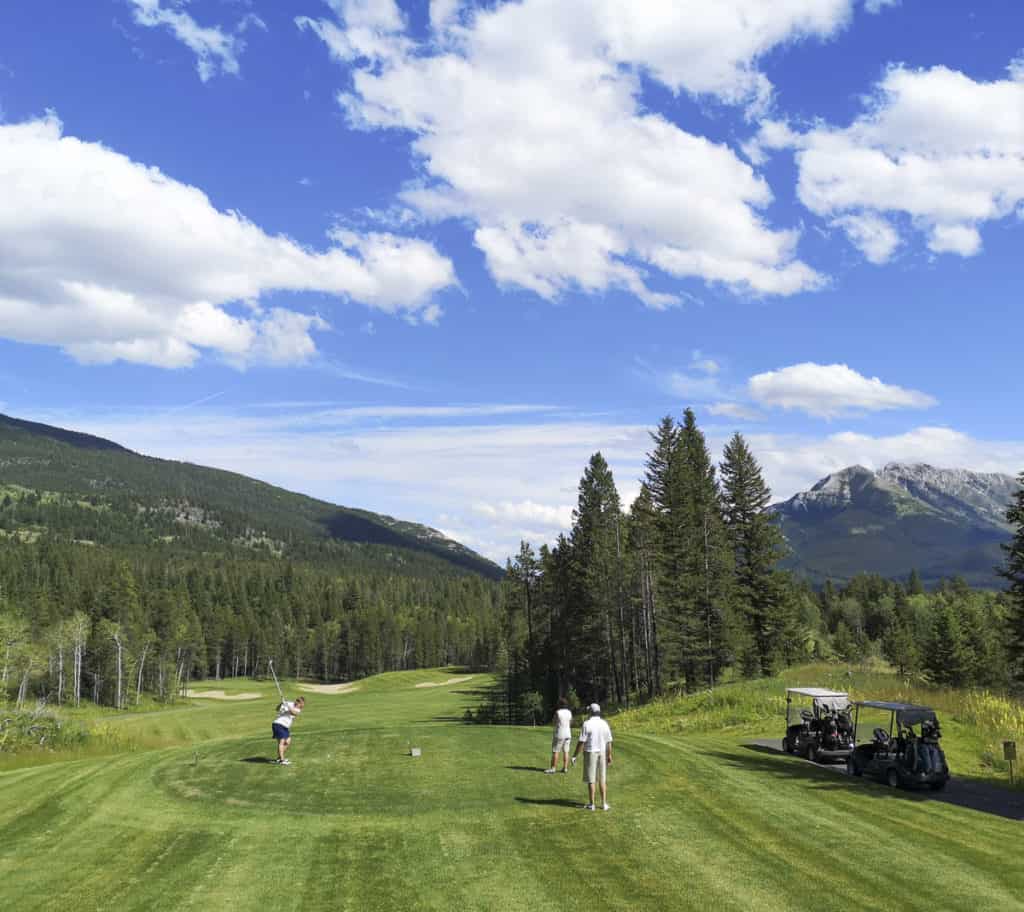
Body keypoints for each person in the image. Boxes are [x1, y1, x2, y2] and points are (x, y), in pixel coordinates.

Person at [572, 703, 613, 811]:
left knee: (591, 780)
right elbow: (609, 742)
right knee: (602, 779)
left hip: (590, 752)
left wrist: (575, 755)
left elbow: (581, 741)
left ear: (590, 712)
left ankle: (592, 804)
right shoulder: (604, 723)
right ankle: (604, 804)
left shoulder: (587, 724)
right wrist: (609, 755)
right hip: (602, 752)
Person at [272, 695, 304, 765]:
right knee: (282, 741)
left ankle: (279, 758)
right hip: (278, 724)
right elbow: (277, 709)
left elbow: (293, 713)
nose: (297, 702)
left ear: (301, 704)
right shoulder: (289, 703)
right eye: (297, 700)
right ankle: (282, 760)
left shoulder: (298, 710)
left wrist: (287, 706)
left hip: (285, 727)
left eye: (299, 702)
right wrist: (281, 703)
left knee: (288, 741)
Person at [545, 697, 574, 774]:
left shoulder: (558, 712)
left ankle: (553, 768)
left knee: (556, 751)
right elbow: (571, 722)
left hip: (560, 734)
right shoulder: (569, 712)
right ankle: (565, 768)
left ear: (559, 704)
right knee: (566, 751)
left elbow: (554, 722)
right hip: (568, 733)